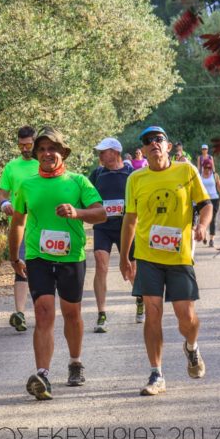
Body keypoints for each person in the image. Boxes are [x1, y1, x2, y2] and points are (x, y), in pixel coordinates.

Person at [9, 127, 105, 400]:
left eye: (52, 149)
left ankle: (75, 361)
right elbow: (17, 222)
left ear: (63, 153)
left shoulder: (78, 182)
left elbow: (101, 214)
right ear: (36, 154)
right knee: (42, 311)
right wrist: (15, 256)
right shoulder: (27, 185)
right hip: (38, 257)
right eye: (41, 149)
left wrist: (78, 213)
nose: (47, 153)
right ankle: (43, 374)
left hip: (71, 258)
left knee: (72, 313)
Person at [120, 125, 213, 396]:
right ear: (144, 150)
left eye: (158, 139)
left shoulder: (186, 171)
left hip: (180, 256)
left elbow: (205, 204)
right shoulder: (135, 179)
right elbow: (130, 219)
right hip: (147, 257)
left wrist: (203, 225)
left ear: (168, 146)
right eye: (148, 141)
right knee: (152, 313)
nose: (153, 144)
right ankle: (156, 373)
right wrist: (126, 257)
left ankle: (192, 347)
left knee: (186, 318)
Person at [88, 137, 143, 331]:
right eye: (100, 151)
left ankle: (140, 300)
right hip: (103, 226)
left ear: (115, 152)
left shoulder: (132, 174)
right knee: (100, 264)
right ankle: (101, 313)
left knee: (130, 270)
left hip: (126, 227)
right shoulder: (97, 174)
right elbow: (87, 197)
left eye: (104, 151)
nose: (100, 155)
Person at [0, 126, 39, 332]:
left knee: (41, 268)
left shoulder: (47, 162)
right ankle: (20, 313)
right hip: (20, 224)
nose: (24, 149)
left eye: (28, 144)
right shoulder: (11, 167)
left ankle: (42, 310)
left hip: (44, 224)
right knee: (20, 266)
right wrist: (4, 204)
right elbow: (2, 194)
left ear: (36, 142)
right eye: (21, 145)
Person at [199, 157, 220, 247]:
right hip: (203, 200)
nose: (207, 170)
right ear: (203, 167)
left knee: (212, 219)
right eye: (205, 168)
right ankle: (203, 235)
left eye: (209, 168)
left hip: (214, 200)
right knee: (203, 219)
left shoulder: (215, 175)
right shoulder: (199, 175)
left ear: (211, 168)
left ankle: (211, 239)